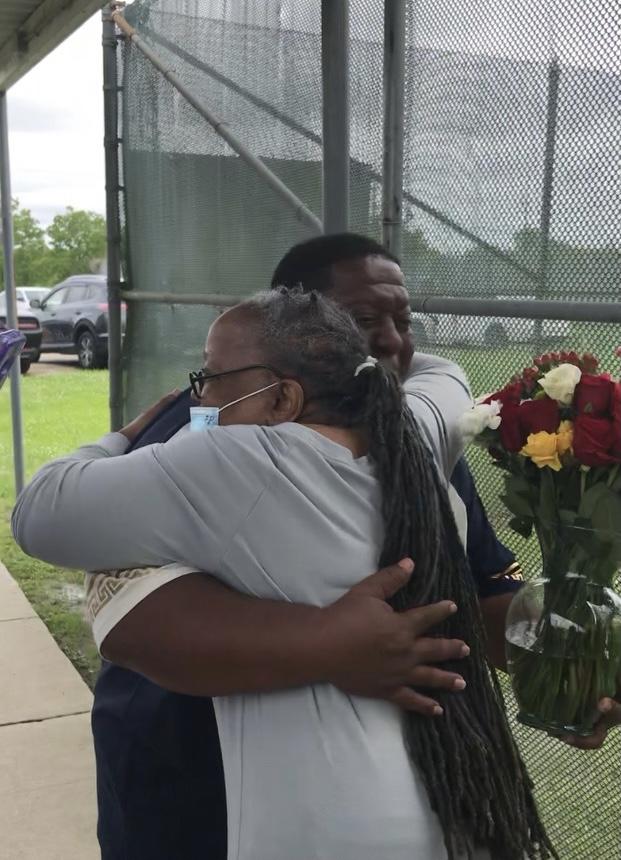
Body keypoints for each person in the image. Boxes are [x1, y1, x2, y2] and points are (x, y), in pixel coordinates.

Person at [13, 289, 554, 860]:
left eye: (215, 377)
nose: (202, 399)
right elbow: (445, 375)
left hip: (322, 820)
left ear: (282, 400)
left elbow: (39, 514)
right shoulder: (418, 436)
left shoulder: (239, 462)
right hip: (447, 801)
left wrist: (120, 439)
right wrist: (359, 361)